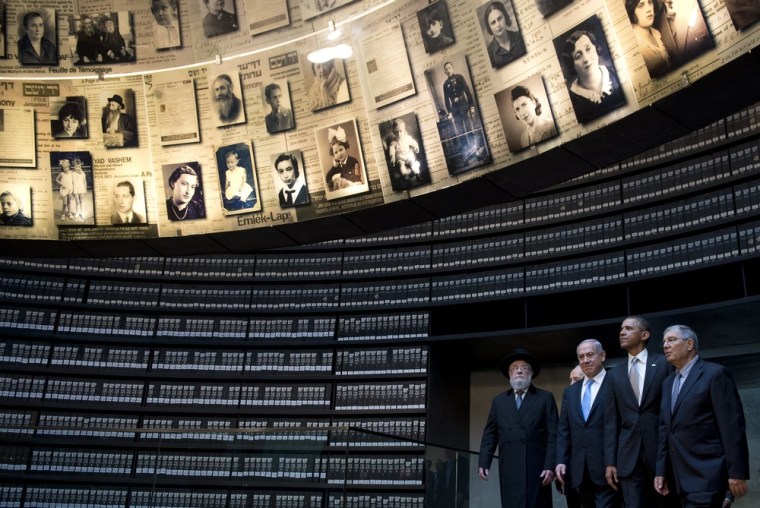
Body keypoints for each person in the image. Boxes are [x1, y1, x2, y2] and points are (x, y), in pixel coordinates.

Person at [654, 325, 750, 507]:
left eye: (672, 340)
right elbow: (665, 431)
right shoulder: (668, 383)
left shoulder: (715, 374)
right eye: (664, 342)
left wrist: (737, 473)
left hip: (708, 477)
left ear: (690, 344)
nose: (665, 345)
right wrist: (661, 471)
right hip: (677, 482)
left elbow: (732, 428)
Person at [604, 317, 677, 508]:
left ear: (644, 335)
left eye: (628, 328)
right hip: (628, 457)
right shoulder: (614, 374)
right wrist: (610, 462)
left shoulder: (664, 364)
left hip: (660, 455)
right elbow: (611, 421)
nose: (622, 332)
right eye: (621, 329)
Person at [478, 348, 558, 508]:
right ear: (509, 374)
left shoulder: (545, 398)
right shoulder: (499, 401)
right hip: (510, 466)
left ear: (531, 373)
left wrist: (550, 466)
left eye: (524, 368)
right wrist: (483, 462)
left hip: (537, 467)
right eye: (514, 368)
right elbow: (490, 434)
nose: (519, 371)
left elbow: (554, 435)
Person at [556, 339, 619, 508]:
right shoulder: (570, 392)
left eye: (590, 355)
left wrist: (612, 462)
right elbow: (564, 430)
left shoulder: (616, 383)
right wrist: (561, 460)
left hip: (609, 469)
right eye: (581, 356)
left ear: (602, 355)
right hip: (580, 470)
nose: (585, 360)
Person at [561, 29, 626, 124]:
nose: (586, 59)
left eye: (588, 49)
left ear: (596, 48)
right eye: (578, 56)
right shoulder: (573, 101)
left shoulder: (616, 72)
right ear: (572, 64)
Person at [556, 365, 584, 508]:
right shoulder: (568, 397)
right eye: (570, 380)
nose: (572, 383)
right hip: (572, 471)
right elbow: (563, 432)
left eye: (576, 379)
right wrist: (560, 463)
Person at [626, 0, 671, 78]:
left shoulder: (656, 32)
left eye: (650, 2)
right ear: (632, 11)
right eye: (641, 6)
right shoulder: (635, 45)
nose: (648, 9)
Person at [483, 1, 525, 68]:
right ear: (489, 27)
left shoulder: (520, 36)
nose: (498, 25)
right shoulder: (489, 53)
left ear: (505, 17)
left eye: (499, 18)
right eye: (493, 22)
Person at [325, 126, 362, 191]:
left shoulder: (354, 161)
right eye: (336, 152)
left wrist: (340, 175)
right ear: (333, 154)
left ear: (345, 147)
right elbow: (327, 179)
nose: (339, 154)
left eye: (341, 149)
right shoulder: (337, 165)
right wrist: (334, 167)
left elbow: (357, 178)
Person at [443, 61, 475, 135]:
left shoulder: (459, 77)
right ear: (445, 72)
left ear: (453, 68)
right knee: (460, 132)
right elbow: (446, 99)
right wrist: (449, 112)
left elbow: (467, 91)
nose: (448, 70)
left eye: (449, 68)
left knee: (469, 129)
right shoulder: (445, 84)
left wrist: (471, 105)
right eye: (446, 69)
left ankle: (474, 145)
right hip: (455, 110)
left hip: (464, 106)